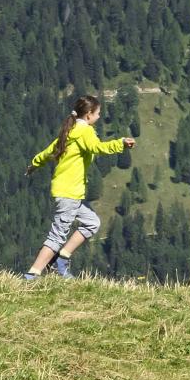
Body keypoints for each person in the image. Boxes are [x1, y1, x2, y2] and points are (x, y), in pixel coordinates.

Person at [23, 94, 134, 280]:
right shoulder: (85, 131)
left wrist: (34, 164)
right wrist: (121, 143)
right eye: (98, 113)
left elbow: (50, 151)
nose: (99, 117)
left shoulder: (70, 130)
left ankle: (62, 258)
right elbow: (98, 148)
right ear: (89, 114)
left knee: (92, 223)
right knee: (57, 236)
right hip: (69, 193)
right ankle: (32, 274)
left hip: (65, 191)